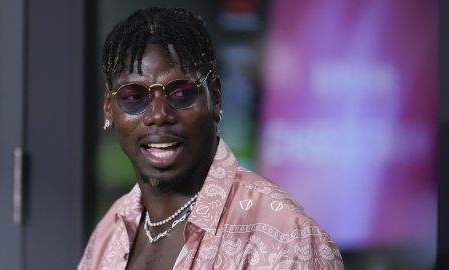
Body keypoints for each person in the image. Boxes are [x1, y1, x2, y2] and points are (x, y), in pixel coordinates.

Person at [78, 7, 344, 270]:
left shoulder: (286, 240)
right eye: (134, 97)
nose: (158, 115)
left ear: (215, 98)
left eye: (181, 93)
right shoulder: (110, 231)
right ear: (109, 108)